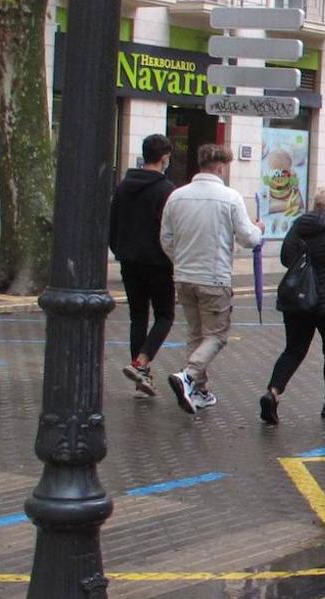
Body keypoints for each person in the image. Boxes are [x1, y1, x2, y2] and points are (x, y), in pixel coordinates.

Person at [160, 144, 264, 415]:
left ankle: (199, 390)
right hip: (214, 276)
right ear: (221, 167)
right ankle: (188, 375)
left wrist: (180, 259)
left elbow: (166, 239)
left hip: (183, 275)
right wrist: (259, 229)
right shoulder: (230, 198)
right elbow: (248, 237)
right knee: (216, 336)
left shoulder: (176, 196)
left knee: (196, 334)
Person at [260, 186, 325, 424]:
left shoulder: (299, 225)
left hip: (298, 297)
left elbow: (285, 258)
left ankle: (273, 391)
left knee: (294, 349)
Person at [108, 134, 176, 397]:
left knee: (138, 316)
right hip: (157, 262)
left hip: (129, 260)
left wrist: (120, 250)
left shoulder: (124, 186)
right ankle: (141, 363)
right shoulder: (166, 189)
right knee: (165, 315)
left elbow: (113, 223)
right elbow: (168, 230)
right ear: (164, 158)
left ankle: (141, 374)